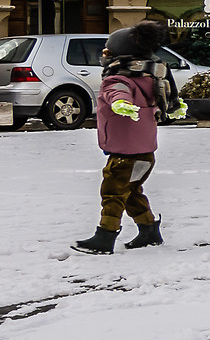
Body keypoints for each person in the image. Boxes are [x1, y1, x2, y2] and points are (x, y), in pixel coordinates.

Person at [74, 21, 182, 255]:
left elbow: (118, 91)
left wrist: (120, 102)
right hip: (146, 153)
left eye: (107, 51)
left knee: (112, 192)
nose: (104, 56)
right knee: (130, 191)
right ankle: (149, 231)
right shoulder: (150, 77)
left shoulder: (116, 78)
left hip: (125, 155)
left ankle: (105, 236)